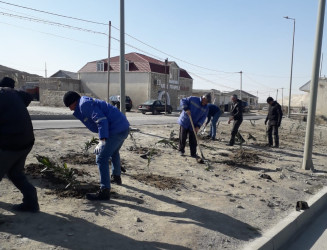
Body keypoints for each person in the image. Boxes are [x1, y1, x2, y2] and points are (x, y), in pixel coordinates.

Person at [63, 91, 129, 201]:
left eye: (69, 106)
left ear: (73, 102)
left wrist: (102, 140)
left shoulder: (84, 104)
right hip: (123, 128)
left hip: (116, 130)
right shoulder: (85, 102)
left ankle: (104, 191)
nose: (70, 109)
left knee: (101, 158)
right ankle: (116, 176)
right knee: (113, 152)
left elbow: (101, 120)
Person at [0, 85, 39, 212]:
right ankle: (31, 202)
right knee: (15, 173)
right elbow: (27, 96)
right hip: (26, 141)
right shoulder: (9, 91)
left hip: (10, 144)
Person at [178, 93, 210, 157]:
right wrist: (186, 109)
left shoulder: (206, 108)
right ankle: (181, 150)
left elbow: (203, 118)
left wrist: (198, 126)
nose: (206, 103)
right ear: (203, 99)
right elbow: (183, 100)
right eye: (206, 101)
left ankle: (193, 153)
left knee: (193, 139)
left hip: (194, 124)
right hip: (185, 120)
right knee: (182, 137)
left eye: (208, 102)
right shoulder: (193, 99)